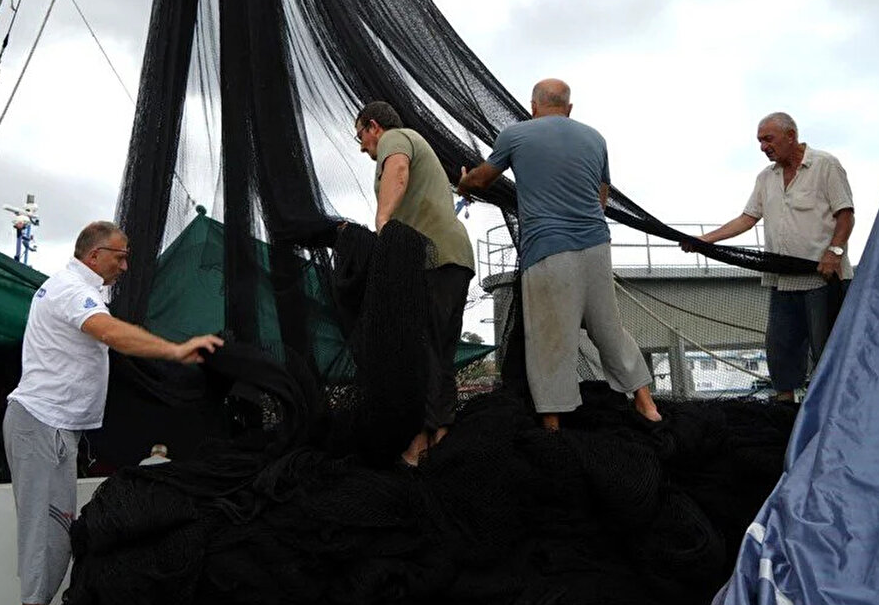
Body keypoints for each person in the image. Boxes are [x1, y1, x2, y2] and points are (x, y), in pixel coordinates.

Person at [5, 221, 223, 605]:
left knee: (54, 529)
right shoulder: (73, 291)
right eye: (120, 257)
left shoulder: (69, 287)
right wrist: (174, 349)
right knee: (46, 532)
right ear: (94, 256)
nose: (125, 266)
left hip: (49, 425)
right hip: (42, 422)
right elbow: (111, 333)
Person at [457, 78, 661, 430]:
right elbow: (601, 197)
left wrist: (463, 182)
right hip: (596, 246)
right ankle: (646, 404)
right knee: (608, 328)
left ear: (533, 106)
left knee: (549, 336)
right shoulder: (595, 138)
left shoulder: (515, 135)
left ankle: (552, 423)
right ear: (569, 108)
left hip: (547, 250)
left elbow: (479, 180)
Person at [686, 112, 853, 402]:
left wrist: (835, 251)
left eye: (768, 139)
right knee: (780, 349)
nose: (763, 147)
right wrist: (703, 241)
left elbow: (846, 214)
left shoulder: (825, 165)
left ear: (791, 136)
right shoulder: (766, 178)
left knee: (828, 350)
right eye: (760, 141)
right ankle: (785, 410)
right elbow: (747, 219)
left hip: (822, 279)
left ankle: (835, 410)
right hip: (782, 281)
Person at [355, 101, 475, 466]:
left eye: (360, 136)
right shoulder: (417, 143)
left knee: (419, 350)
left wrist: (382, 222)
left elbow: (398, 169)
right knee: (440, 352)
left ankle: (419, 445)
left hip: (433, 260)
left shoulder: (396, 138)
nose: (362, 147)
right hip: (457, 259)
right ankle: (441, 438)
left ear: (374, 127)